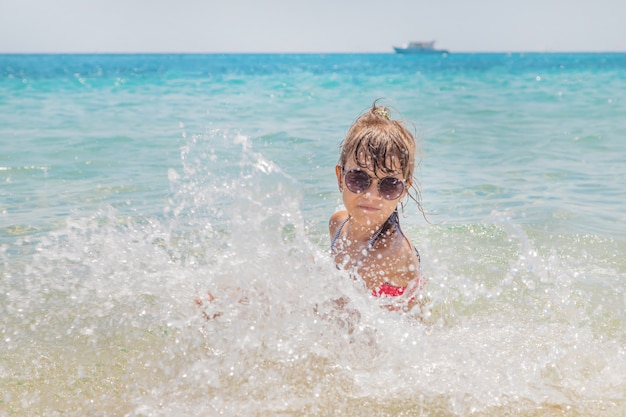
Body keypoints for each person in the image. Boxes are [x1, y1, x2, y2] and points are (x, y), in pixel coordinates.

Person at [329, 100, 424, 308]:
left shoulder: (390, 253)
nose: (371, 195)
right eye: (358, 179)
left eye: (389, 185)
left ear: (404, 190)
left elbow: (337, 313)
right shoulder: (337, 224)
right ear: (340, 177)